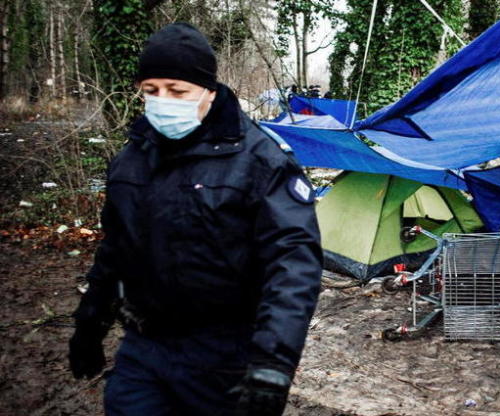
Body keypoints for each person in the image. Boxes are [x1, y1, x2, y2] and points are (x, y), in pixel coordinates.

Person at [67, 23, 323, 416]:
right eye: (150, 91)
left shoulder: (260, 161)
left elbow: (293, 263)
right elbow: (117, 249)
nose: (162, 101)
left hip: (224, 356)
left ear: (208, 91)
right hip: (144, 347)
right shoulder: (132, 158)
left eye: (177, 90)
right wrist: (90, 323)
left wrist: (273, 364)